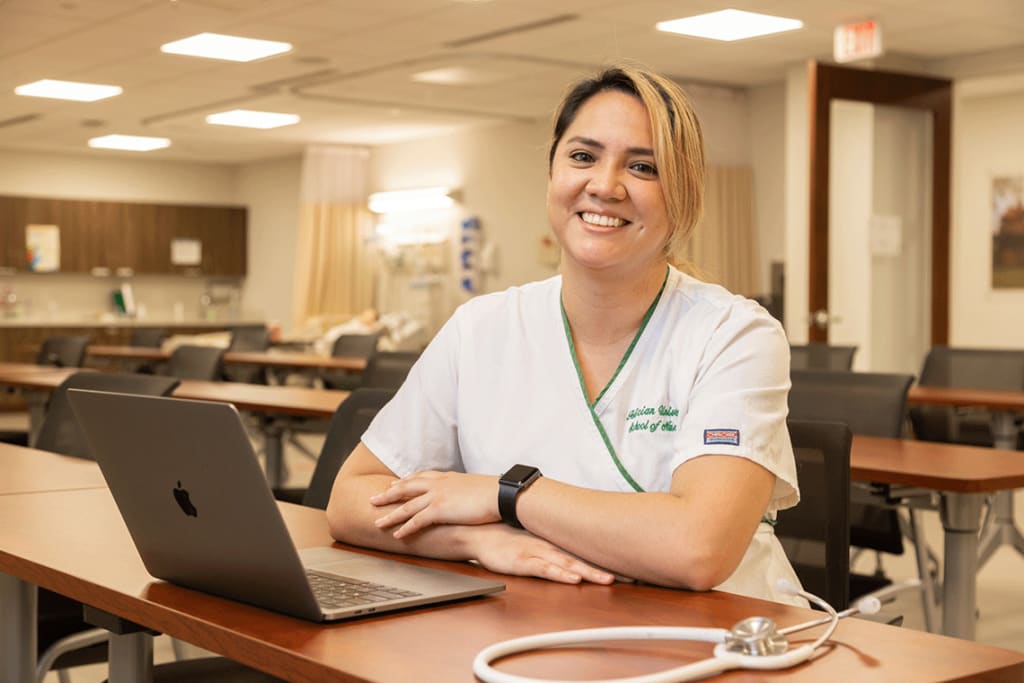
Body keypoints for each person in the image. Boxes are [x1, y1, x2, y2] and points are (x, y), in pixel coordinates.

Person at [326, 63, 803, 605]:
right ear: (553, 174)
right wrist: (475, 539)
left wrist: (506, 495)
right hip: (538, 628)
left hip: (720, 637)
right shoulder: (481, 328)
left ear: (684, 195)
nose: (604, 185)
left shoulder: (734, 335)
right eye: (582, 156)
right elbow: (350, 500)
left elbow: (699, 548)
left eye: (643, 167)